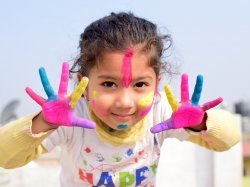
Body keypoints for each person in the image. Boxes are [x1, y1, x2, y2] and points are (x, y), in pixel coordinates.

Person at [0, 12, 240, 187]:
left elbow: (229, 139)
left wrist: (199, 123)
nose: (125, 102)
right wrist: (44, 122)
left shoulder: (163, 113)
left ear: (156, 84)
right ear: (84, 84)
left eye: (140, 85)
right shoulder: (71, 120)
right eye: (108, 84)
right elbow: (5, 157)